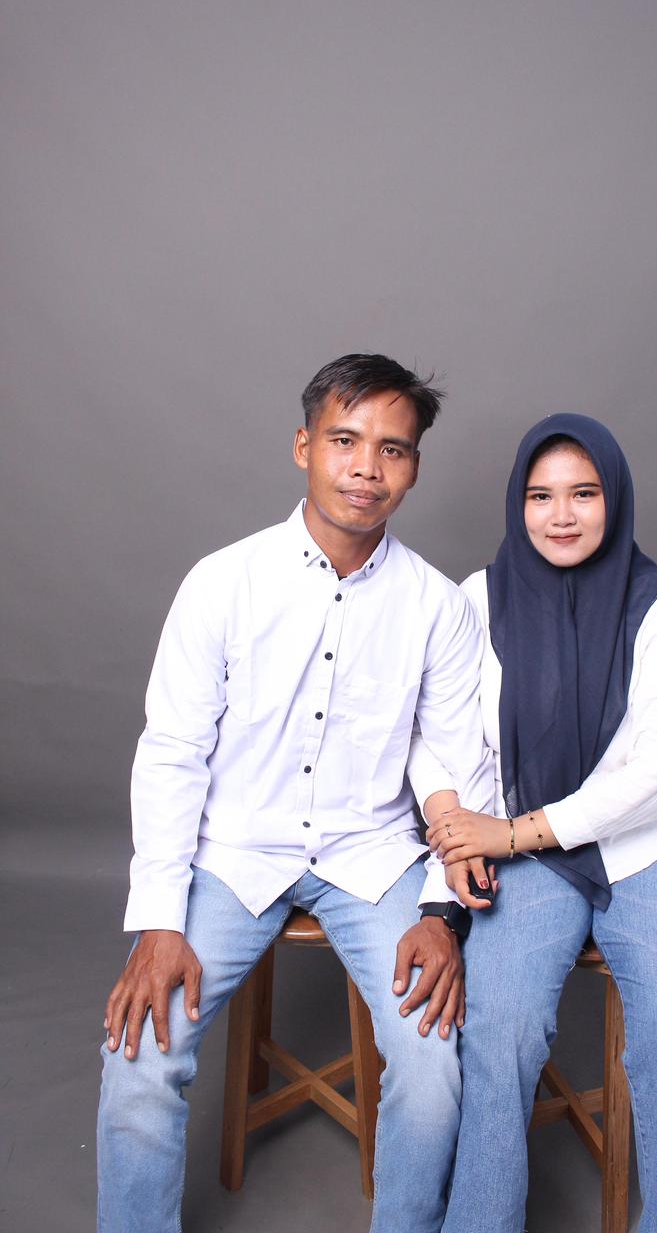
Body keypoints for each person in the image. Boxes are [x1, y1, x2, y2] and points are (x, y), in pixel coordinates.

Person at [96, 354, 495, 1233]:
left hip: (372, 859)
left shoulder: (438, 607)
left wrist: (441, 912)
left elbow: (456, 767)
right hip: (233, 856)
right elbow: (172, 753)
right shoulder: (222, 582)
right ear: (304, 446)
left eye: (392, 450)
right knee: (139, 1057)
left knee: (434, 1063)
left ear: (414, 468)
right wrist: (158, 921)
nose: (366, 467)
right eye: (345, 441)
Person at [411, 414, 657, 1232]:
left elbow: (654, 779)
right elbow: (435, 732)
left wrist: (508, 835)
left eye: (583, 494)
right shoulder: (478, 599)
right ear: (517, 504)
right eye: (541, 496)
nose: (561, 515)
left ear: (614, 499)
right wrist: (453, 822)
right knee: (497, 1033)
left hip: (655, 841)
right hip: (521, 842)